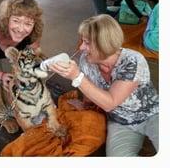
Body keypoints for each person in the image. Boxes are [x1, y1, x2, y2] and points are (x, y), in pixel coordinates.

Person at [50, 14, 158, 156]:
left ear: (105, 44)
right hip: (121, 122)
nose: (81, 47)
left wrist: (77, 76)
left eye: (87, 42)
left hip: (153, 115)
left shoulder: (133, 60)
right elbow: (91, 88)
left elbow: (110, 103)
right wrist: (85, 105)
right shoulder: (86, 60)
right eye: (82, 41)